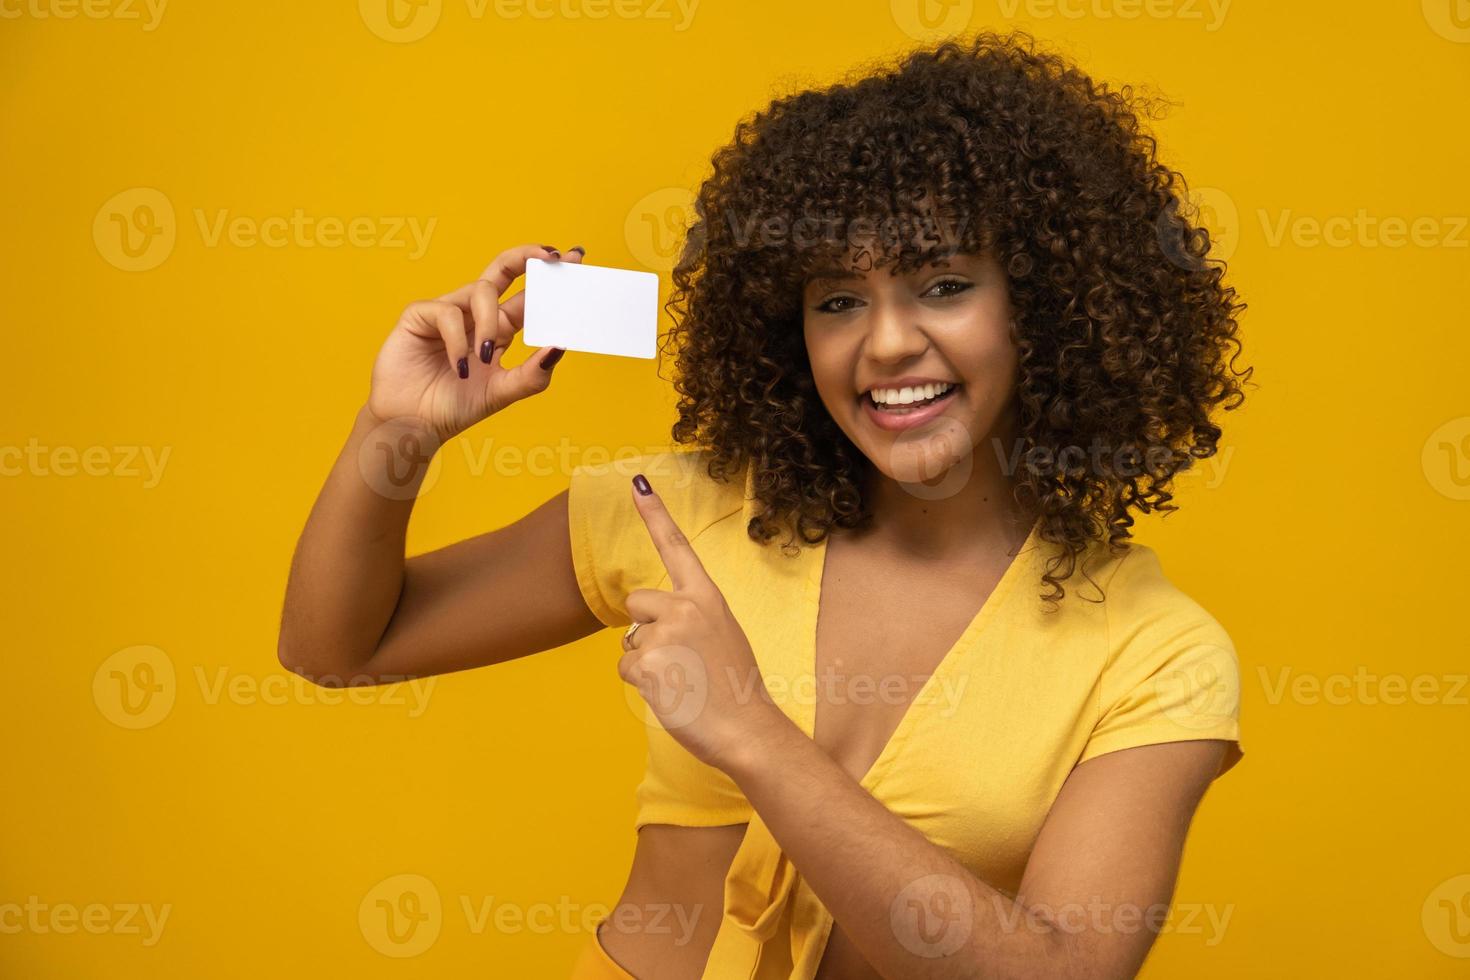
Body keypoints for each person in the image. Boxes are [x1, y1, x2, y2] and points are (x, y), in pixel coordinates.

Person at [278, 29, 1250, 980]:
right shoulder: (681, 508)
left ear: (1044, 304)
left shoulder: (1155, 651)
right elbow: (338, 646)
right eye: (837, 299)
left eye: (944, 284)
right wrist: (395, 433)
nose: (884, 344)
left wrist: (747, 725)